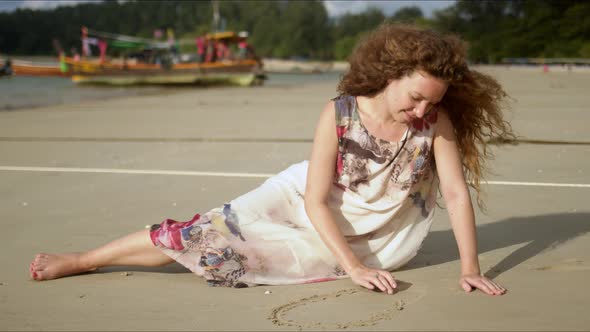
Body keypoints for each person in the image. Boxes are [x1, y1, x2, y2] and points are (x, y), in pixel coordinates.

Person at [29, 23, 513, 296]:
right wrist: (352, 269)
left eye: (433, 101)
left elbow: (454, 193)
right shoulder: (339, 114)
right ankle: (86, 259)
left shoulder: (435, 124)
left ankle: (106, 258)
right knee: (208, 229)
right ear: (391, 75)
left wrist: (470, 267)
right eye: (414, 98)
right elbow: (316, 199)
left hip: (375, 232)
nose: (422, 111)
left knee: (240, 255)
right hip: (300, 197)